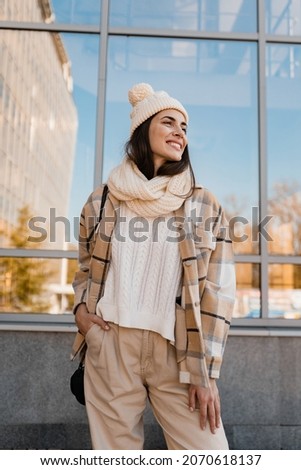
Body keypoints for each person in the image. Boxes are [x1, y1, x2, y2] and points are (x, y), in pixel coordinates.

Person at [72, 83, 236, 450]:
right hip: (111, 342)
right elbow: (85, 266)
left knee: (209, 452)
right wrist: (82, 312)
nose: (180, 132)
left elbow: (220, 292)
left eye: (184, 126)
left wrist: (206, 372)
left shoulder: (203, 203)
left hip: (177, 348)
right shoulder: (102, 199)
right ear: (142, 130)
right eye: (168, 122)